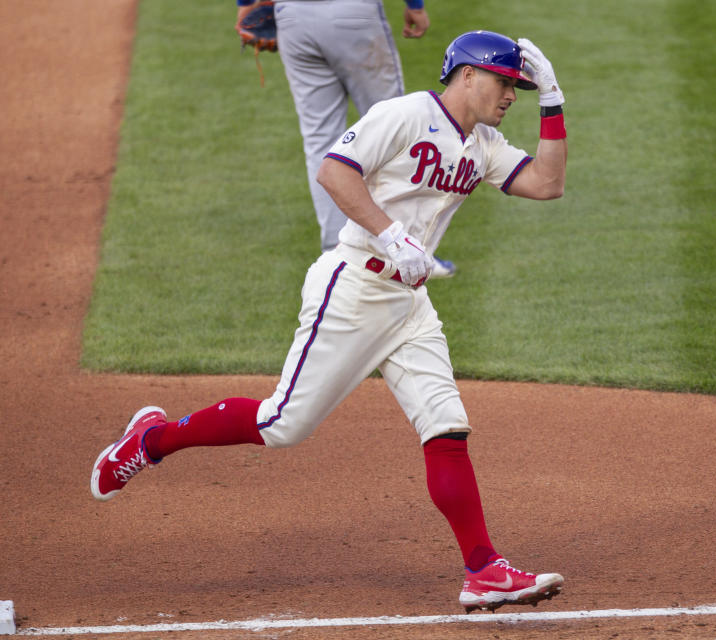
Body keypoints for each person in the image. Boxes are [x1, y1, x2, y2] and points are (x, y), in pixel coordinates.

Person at [92, 30, 568, 613]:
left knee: (445, 426)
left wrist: (552, 103)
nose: (510, 95)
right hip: (354, 288)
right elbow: (335, 171)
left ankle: (483, 571)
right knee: (282, 424)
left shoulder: (484, 145)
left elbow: (548, 184)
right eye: (505, 83)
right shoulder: (404, 115)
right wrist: (392, 234)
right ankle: (152, 438)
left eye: (518, 88)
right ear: (468, 75)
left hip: (409, 304)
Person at [236, 0, 457, 278]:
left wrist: (245, 4)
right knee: (398, 132)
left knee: (320, 139)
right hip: (355, 15)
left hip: (293, 18)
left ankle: (333, 253)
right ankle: (409, 250)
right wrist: (415, 6)